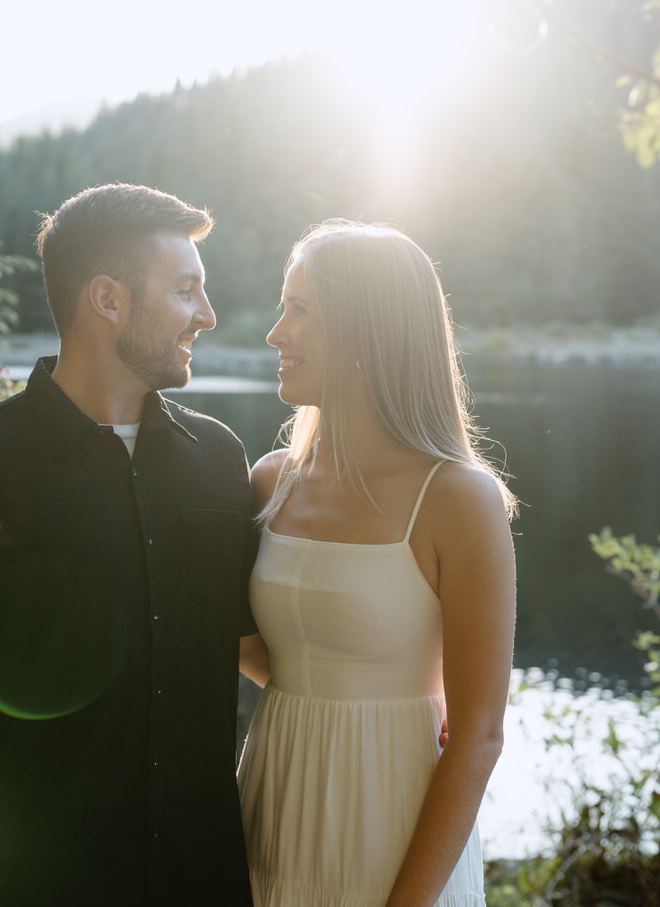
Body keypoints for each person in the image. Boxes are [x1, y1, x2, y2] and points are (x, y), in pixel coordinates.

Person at [0, 184, 256, 907]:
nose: (207, 315)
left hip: (209, 883)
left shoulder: (220, 460)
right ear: (108, 300)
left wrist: (402, 692)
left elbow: (251, 643)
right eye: (186, 290)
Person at [236, 220, 517, 907]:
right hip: (272, 803)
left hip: (396, 824)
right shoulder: (271, 483)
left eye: (299, 311)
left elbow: (478, 735)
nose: (276, 334)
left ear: (366, 334)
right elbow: (260, 650)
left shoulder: (456, 497)